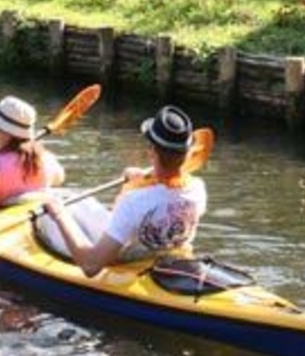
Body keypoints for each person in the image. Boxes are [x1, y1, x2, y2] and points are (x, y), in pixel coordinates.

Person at [40, 105, 206, 277]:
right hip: (166, 258)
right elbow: (168, 186)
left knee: (54, 217)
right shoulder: (198, 190)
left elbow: (91, 266)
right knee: (79, 203)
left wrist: (59, 214)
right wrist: (142, 178)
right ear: (186, 155)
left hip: (129, 263)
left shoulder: (134, 201)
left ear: (151, 151)